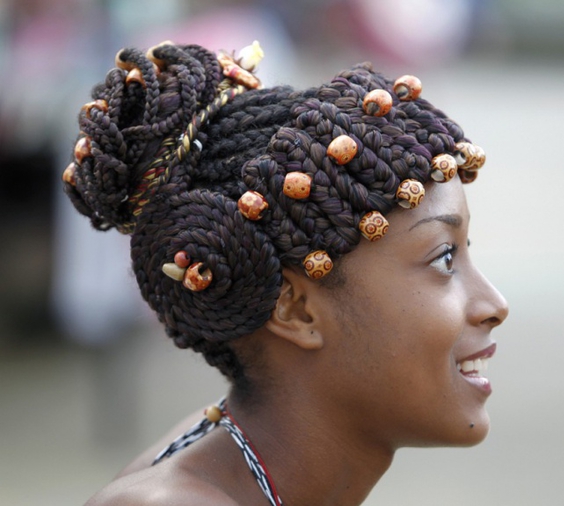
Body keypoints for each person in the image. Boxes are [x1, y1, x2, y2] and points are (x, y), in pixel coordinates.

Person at [63, 40, 508, 506]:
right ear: (295, 310)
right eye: (443, 258)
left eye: (464, 251)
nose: (495, 305)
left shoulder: (226, 445)